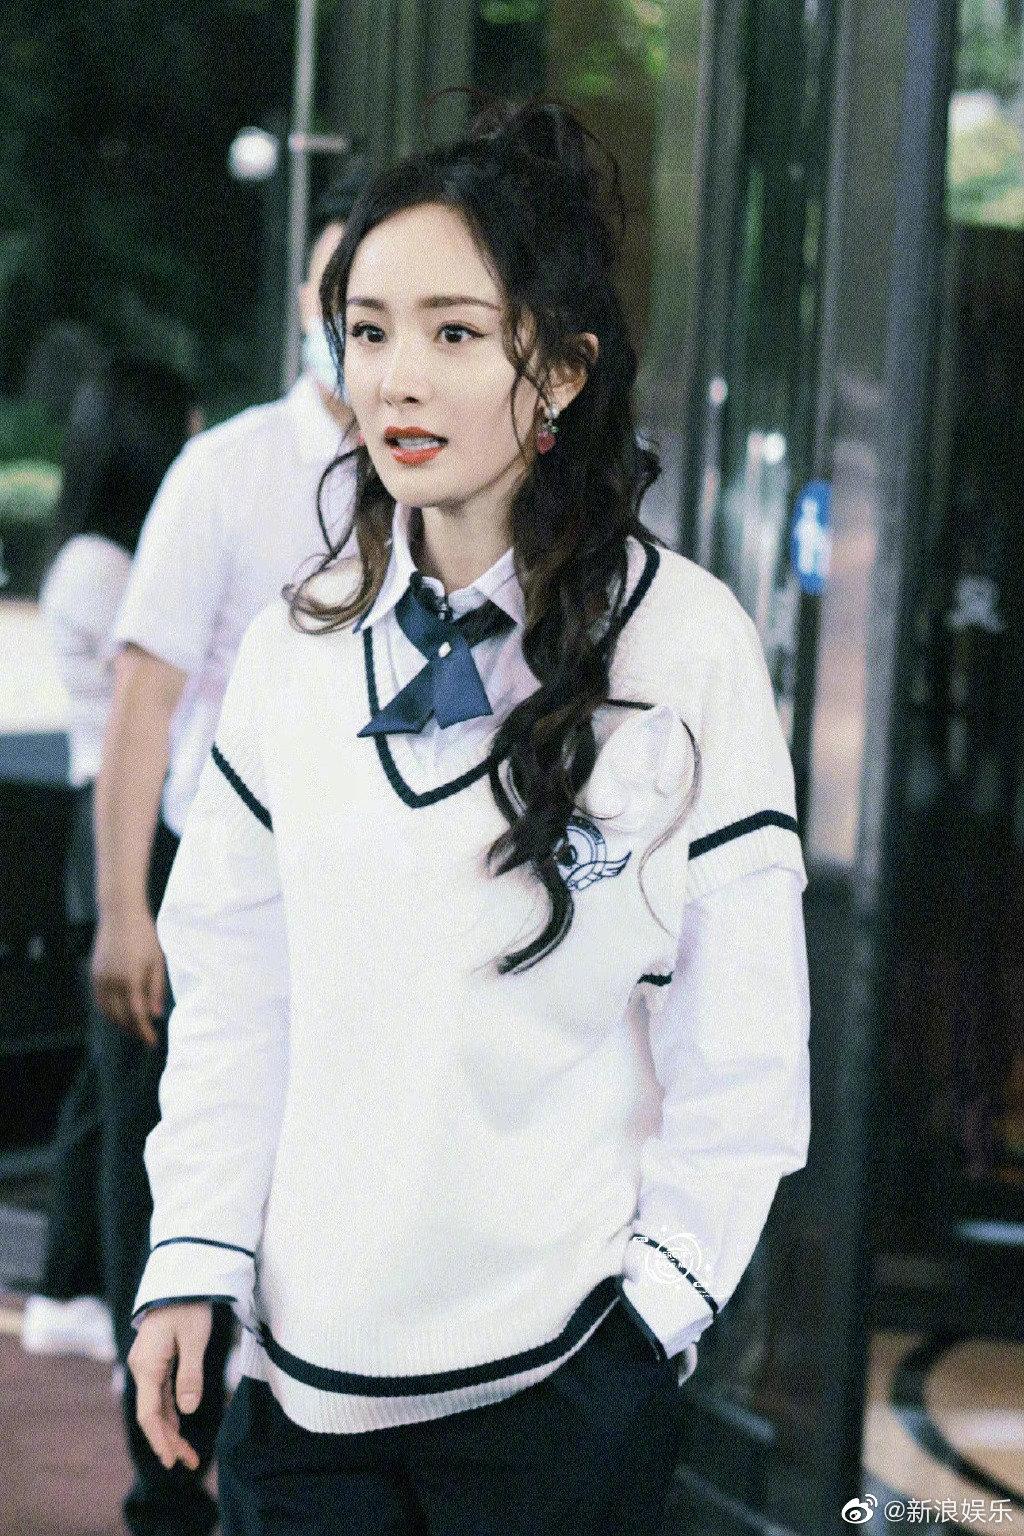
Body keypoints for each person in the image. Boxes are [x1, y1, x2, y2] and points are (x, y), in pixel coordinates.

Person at [127, 96, 811, 1536]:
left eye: (452, 332)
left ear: (557, 369)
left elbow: (744, 1047)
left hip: (558, 1393)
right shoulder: (297, 649)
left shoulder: (685, 645)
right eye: (368, 331)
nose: (398, 379)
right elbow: (238, 994)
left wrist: (651, 1321)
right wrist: (191, 1256)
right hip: (304, 1395)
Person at [90, 162, 366, 1536]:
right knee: (180, 1184)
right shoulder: (230, 467)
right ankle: (169, 1484)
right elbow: (144, 695)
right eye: (343, 298)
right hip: (208, 883)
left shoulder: (442, 482)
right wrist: (121, 907)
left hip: (358, 916)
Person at [21, 355, 195, 1369]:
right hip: (119, 823)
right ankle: (90, 1285)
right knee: (127, 1073)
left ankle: (70, 1283)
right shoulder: (102, 564)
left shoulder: (99, 553)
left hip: (118, 819)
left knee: (108, 1072)